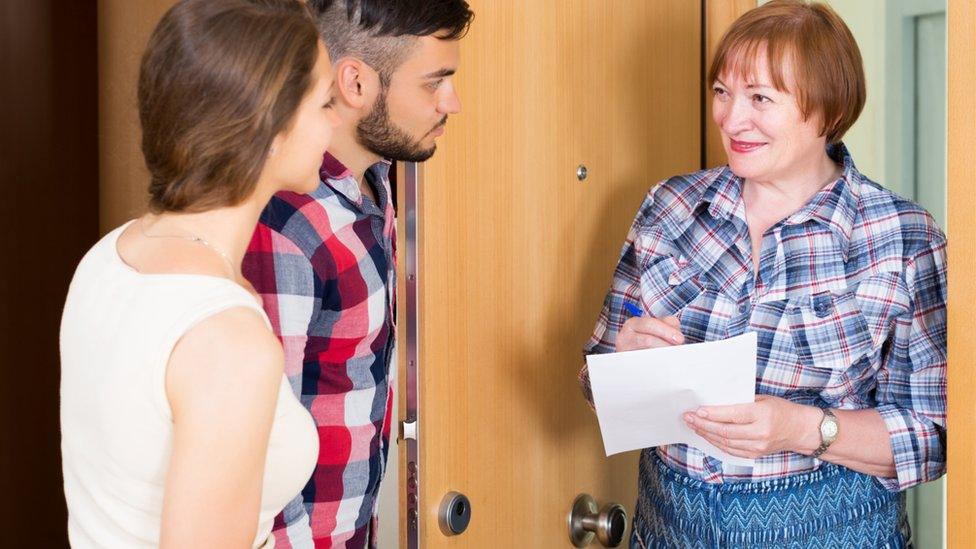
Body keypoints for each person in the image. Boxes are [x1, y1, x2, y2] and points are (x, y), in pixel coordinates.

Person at [579, 1, 947, 547]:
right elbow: (593, 384)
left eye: (760, 99)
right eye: (722, 92)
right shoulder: (669, 206)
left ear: (827, 110)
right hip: (666, 531)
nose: (730, 119)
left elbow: (934, 436)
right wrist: (621, 366)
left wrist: (800, 428)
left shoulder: (902, 236)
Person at [59, 1, 340, 546]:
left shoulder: (108, 256)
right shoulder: (228, 342)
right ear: (271, 128)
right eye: (325, 102)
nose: (336, 121)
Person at [242, 0, 473, 546]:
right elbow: (261, 451)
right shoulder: (289, 225)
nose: (453, 102)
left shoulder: (375, 186)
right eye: (434, 83)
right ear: (355, 81)